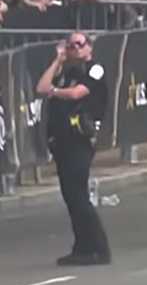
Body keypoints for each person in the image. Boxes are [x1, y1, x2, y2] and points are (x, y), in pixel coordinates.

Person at [35, 33, 111, 265]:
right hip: (62, 141)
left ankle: (99, 248)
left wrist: (55, 92)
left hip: (80, 140)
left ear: (89, 47)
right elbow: (41, 87)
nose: (74, 48)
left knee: (79, 196)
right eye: (70, 45)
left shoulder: (94, 69)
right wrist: (58, 60)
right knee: (70, 197)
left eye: (79, 44)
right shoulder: (67, 72)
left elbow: (78, 93)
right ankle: (82, 247)